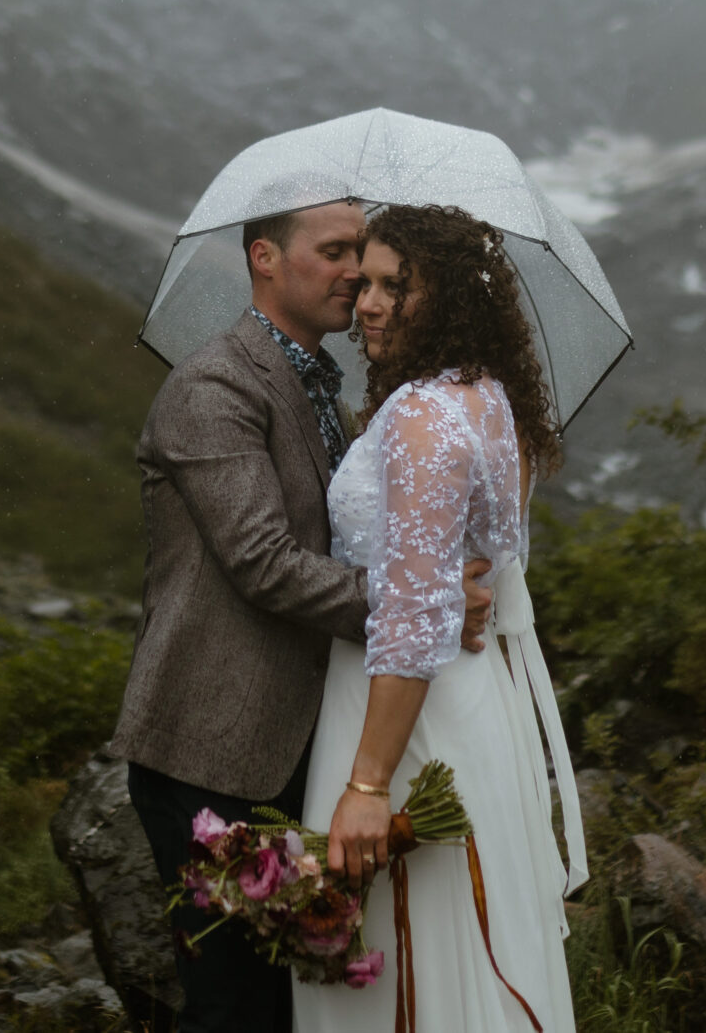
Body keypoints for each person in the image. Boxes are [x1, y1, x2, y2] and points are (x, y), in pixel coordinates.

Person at [108, 197, 493, 1033]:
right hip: (209, 747)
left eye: (363, 251)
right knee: (231, 1007)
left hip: (291, 743)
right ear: (265, 258)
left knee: (291, 1003)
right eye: (335, 249)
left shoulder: (324, 384)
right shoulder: (213, 384)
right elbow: (264, 563)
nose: (355, 270)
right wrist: (420, 601)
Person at [296, 202, 586, 1033]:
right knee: (459, 954)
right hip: (472, 708)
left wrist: (367, 785)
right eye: (369, 281)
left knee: (403, 964)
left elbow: (421, 612)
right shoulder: (491, 398)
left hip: (402, 715)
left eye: (398, 286)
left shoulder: (424, 414)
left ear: (450, 298)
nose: (370, 301)